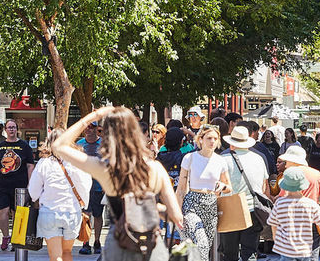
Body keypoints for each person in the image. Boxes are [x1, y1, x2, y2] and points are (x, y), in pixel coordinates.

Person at [56, 107, 184, 261]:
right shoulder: (156, 168)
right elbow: (175, 215)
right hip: (151, 245)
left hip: (119, 243)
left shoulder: (105, 169)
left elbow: (59, 146)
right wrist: (152, 208)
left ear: (107, 134)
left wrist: (92, 117)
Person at [28, 131, 91, 261]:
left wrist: (38, 198)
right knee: (67, 252)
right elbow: (86, 184)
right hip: (72, 212)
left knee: (55, 256)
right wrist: (83, 203)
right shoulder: (77, 161)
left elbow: (33, 191)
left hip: (50, 212)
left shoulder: (44, 163)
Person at [174, 125, 231, 261]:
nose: (212, 141)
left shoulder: (221, 161)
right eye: (209, 138)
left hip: (211, 205)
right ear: (200, 140)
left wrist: (223, 186)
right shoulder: (190, 158)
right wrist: (176, 213)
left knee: (200, 248)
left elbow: (229, 187)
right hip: (192, 204)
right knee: (202, 244)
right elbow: (181, 188)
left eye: (215, 139)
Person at [217, 126, 267, 261]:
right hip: (253, 210)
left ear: (231, 142)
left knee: (229, 254)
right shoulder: (259, 159)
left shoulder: (223, 159)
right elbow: (263, 187)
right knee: (250, 252)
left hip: (229, 211)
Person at [0, 119, 35, 251]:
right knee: (1, 212)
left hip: (20, 186)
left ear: (17, 129)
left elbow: (30, 166)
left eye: (13, 127)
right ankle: (5, 236)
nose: (11, 130)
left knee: (18, 213)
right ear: (5, 129)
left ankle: (16, 238)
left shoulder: (25, 146)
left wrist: (31, 184)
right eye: (9, 128)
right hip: (1, 186)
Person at [268, 168, 320, 261]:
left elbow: (273, 223)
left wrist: (276, 237)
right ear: (303, 186)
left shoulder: (280, 203)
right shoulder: (310, 204)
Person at [75, 122, 104, 256]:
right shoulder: (79, 144)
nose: (88, 129)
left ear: (96, 129)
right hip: (83, 186)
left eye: (91, 126)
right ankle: (85, 241)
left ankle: (97, 241)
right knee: (85, 214)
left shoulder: (104, 144)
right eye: (86, 126)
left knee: (98, 215)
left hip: (99, 186)